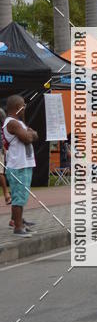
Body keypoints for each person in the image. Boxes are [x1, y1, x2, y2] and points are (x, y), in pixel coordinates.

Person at [2, 95, 38, 236]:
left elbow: (35, 134)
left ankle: (19, 222)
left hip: (24, 164)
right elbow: (28, 138)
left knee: (21, 197)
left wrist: (29, 134)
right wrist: (29, 134)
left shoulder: (19, 123)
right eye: (23, 105)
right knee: (18, 197)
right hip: (18, 166)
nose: (25, 108)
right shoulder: (12, 123)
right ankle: (18, 227)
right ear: (17, 107)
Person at [0, 106, 10, 205]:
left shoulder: (1, 112)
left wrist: (3, 146)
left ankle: (7, 194)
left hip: (0, 147)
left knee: (0, 172)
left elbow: (4, 129)